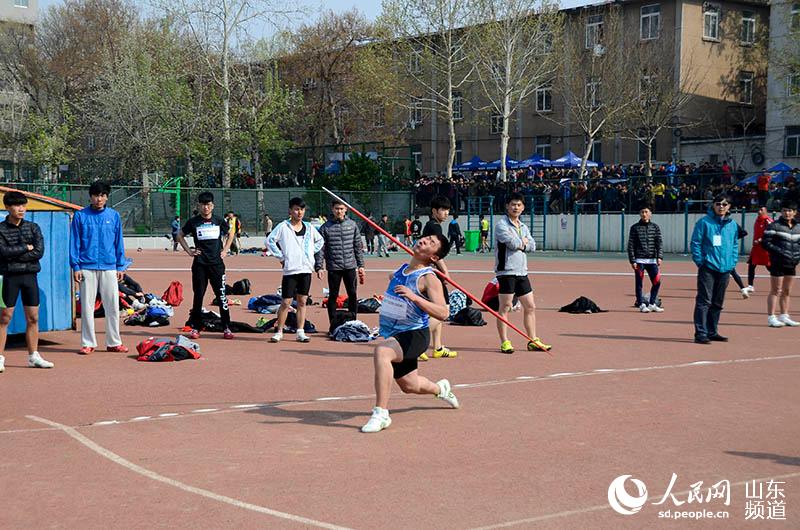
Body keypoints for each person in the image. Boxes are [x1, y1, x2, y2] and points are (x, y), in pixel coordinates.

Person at [360, 234, 459, 433]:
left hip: (414, 335)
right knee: (410, 385)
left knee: (382, 352)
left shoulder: (430, 278)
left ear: (433, 257)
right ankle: (441, 389)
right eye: (426, 238)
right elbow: (395, 283)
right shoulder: (402, 270)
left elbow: (443, 312)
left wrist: (414, 297)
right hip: (395, 334)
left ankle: (381, 414)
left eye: (431, 243)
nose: (424, 241)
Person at [70, 181, 130, 355]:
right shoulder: (80, 216)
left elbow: (119, 242)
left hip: (110, 266)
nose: (99, 199)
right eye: (96, 195)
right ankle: (88, 343)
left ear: (107, 197)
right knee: (87, 307)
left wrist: (121, 265)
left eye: (103, 195)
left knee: (112, 305)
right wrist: (76, 266)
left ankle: (114, 342)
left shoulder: (114, 216)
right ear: (90, 196)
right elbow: (75, 242)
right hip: (86, 267)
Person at [0, 191, 53, 372]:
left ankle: (33, 356)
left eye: (23, 205)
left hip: (30, 276)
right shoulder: (1, 229)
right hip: (9, 277)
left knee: (33, 317)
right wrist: (25, 248)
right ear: (7, 207)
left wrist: (17, 254)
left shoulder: (33, 227)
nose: (21, 209)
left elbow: (39, 251)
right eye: (16, 205)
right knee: (4, 317)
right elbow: (3, 253)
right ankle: (0, 357)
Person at [494, 192, 551, 353]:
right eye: (513, 204)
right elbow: (512, 243)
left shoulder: (523, 227)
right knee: (505, 306)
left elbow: (532, 245)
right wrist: (522, 243)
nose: (516, 207)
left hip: (522, 272)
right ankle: (505, 341)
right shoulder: (501, 225)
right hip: (506, 272)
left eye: (519, 205)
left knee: (530, 306)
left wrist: (523, 243)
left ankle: (533, 340)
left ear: (523, 207)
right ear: (507, 206)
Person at [176, 192, 235, 340]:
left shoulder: (219, 220)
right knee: (198, 296)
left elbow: (231, 233)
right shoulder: (193, 222)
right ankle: (196, 327)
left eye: (208, 205)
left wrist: (226, 249)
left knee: (221, 296)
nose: (205, 207)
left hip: (217, 265)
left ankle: (226, 327)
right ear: (199, 206)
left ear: (212, 206)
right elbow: (180, 235)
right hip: (200, 265)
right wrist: (189, 251)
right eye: (203, 204)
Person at [266, 197, 324, 343]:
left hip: (305, 269)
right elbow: (270, 240)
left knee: (302, 301)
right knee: (286, 302)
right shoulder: (283, 226)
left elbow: (320, 241)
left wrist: (311, 253)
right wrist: (280, 256)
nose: (300, 212)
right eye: (297, 209)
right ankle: (279, 331)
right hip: (290, 270)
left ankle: (300, 331)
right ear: (290, 211)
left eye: (302, 209)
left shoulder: (310, 227)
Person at [690, 194, 739, 344]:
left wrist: (732, 263)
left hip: (725, 268)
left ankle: (712, 331)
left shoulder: (732, 225)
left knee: (718, 302)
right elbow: (695, 243)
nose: (721, 207)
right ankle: (701, 333)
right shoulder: (704, 222)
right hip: (708, 267)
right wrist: (701, 262)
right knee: (704, 301)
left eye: (725, 204)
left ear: (729, 207)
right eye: (718, 204)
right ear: (713, 205)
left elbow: (734, 245)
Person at [319, 199, 365, 333]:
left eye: (341, 208)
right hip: (334, 267)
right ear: (332, 209)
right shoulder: (325, 227)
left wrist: (361, 265)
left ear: (346, 209)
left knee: (352, 294)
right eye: (336, 208)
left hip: (350, 266)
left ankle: (353, 323)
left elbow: (358, 246)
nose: (339, 211)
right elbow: (320, 249)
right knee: (333, 295)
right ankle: (333, 325)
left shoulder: (352, 225)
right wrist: (319, 266)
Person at [421, 196, 457, 359]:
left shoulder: (432, 225)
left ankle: (438, 346)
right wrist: (445, 273)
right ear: (434, 211)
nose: (446, 213)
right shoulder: (434, 228)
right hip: (431, 272)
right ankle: (415, 341)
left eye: (447, 210)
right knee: (444, 310)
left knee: (437, 308)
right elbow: (437, 254)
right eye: (442, 210)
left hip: (429, 271)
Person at [761, 200, 800, 327]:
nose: (787, 213)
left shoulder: (798, 227)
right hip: (778, 262)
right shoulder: (774, 225)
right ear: (781, 212)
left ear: (794, 213)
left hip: (792, 262)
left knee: (787, 290)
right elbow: (766, 242)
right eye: (784, 210)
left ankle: (784, 315)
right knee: (775, 290)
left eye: (789, 211)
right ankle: (771, 317)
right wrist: (780, 252)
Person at [627, 206, 664, 313]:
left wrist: (660, 257)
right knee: (639, 283)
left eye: (646, 212)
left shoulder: (655, 227)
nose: (644, 214)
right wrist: (632, 260)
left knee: (657, 282)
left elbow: (659, 243)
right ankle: (641, 304)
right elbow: (631, 245)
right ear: (639, 214)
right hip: (639, 261)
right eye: (642, 212)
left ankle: (652, 303)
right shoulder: (634, 228)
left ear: (650, 213)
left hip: (652, 260)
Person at [744, 205, 773, 294]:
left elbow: (771, 233)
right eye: (758, 209)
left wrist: (760, 240)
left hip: (765, 249)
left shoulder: (768, 221)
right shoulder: (757, 220)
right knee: (751, 266)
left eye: (761, 210)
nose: (759, 211)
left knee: (770, 267)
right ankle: (750, 286)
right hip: (756, 249)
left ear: (766, 211)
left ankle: (779, 283)